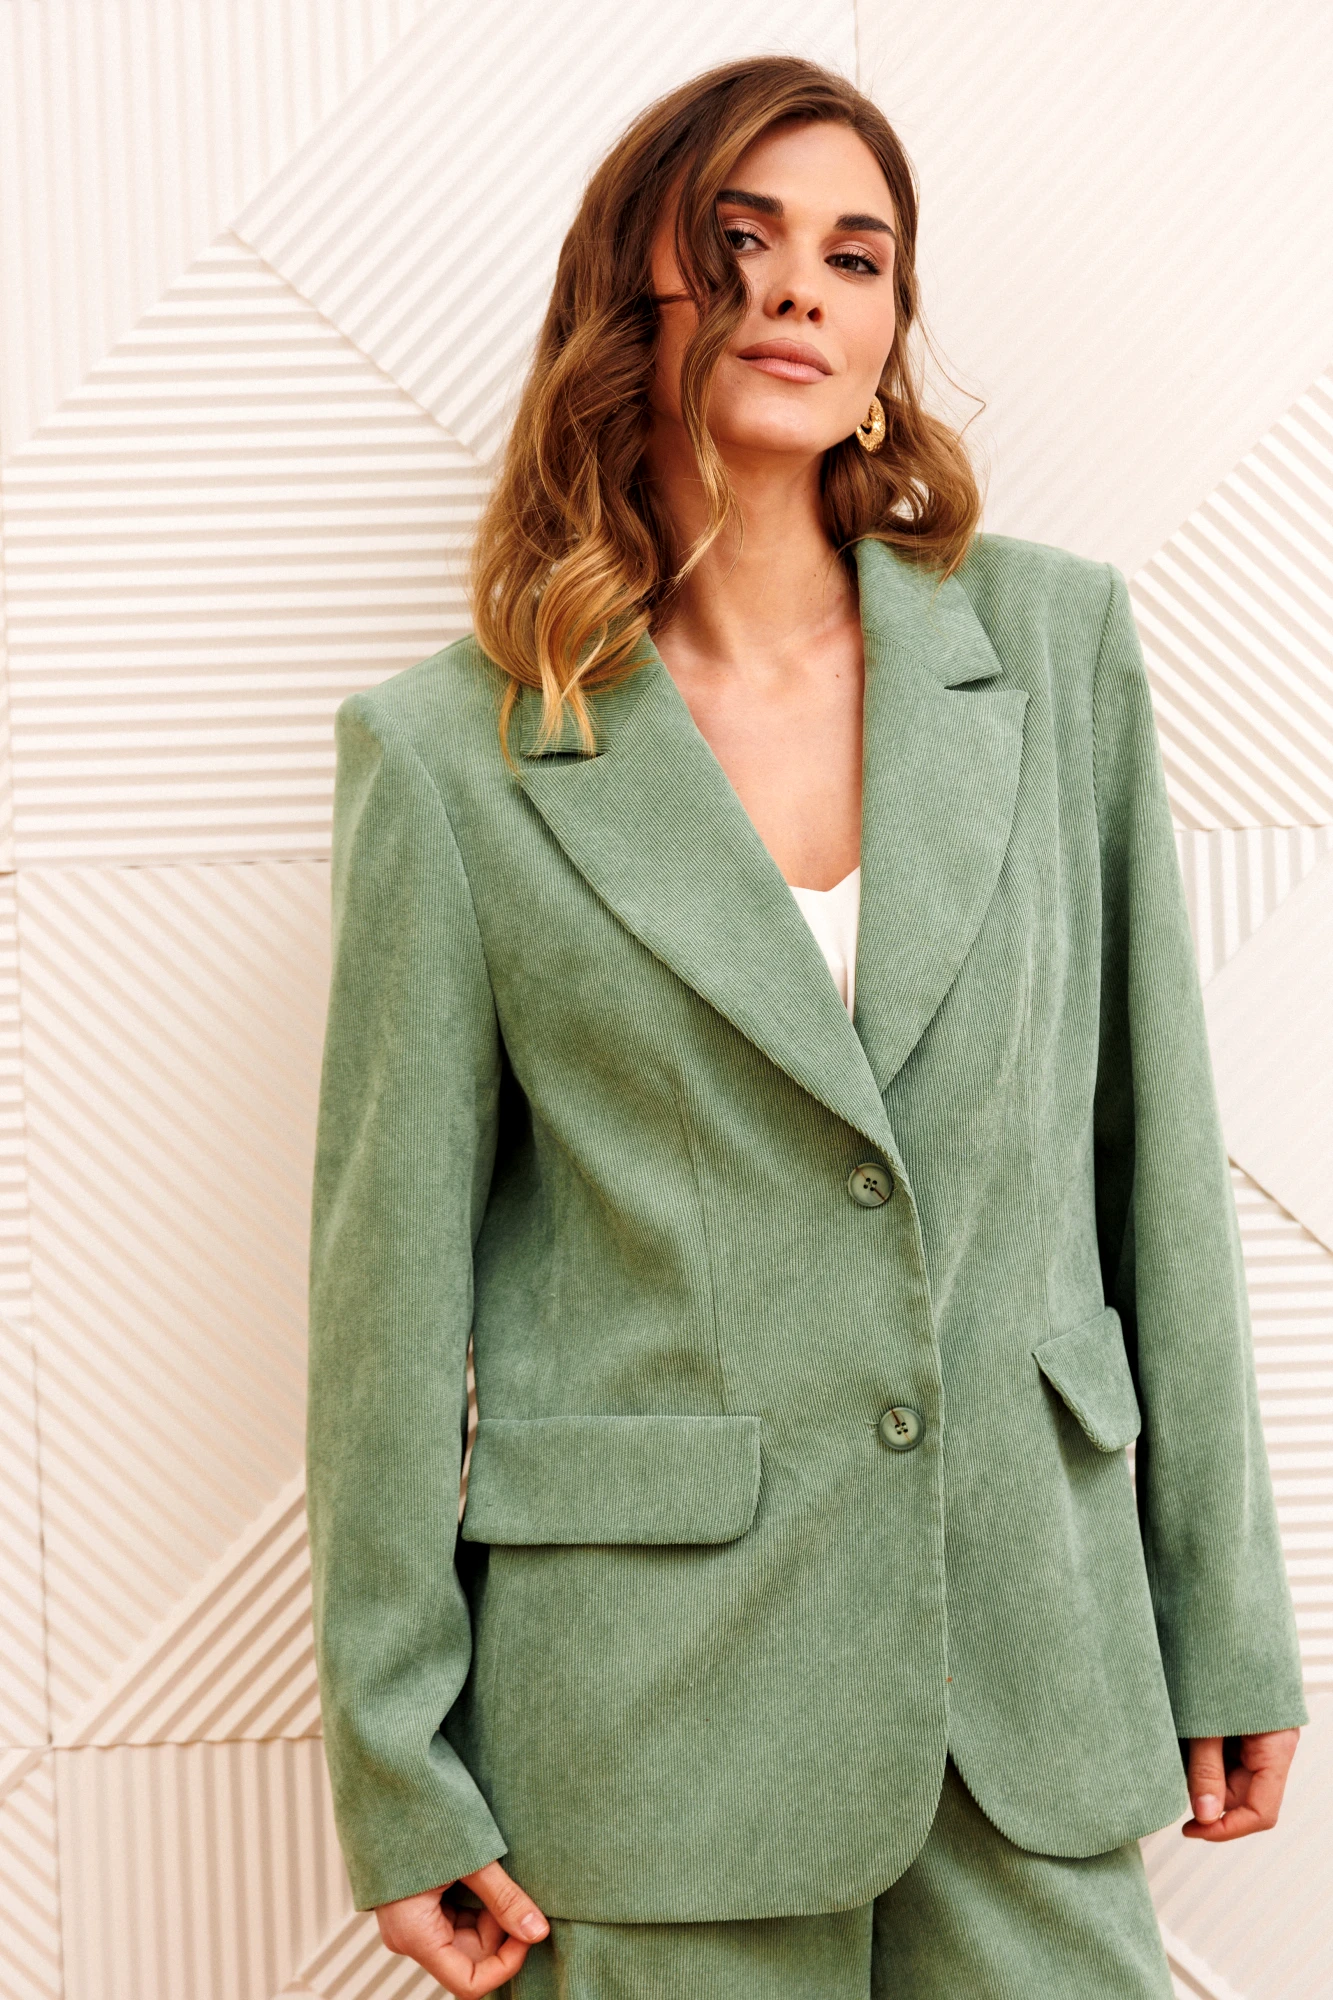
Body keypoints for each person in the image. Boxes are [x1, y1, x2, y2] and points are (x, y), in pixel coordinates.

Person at [305, 55, 1306, 2000]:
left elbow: (1158, 1169)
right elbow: (386, 1305)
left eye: (857, 255)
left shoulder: (1058, 653)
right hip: (651, 1729)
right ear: (634, 287)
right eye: (741, 240)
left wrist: (1226, 1612)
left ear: (891, 325)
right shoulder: (449, 758)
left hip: (1029, 1675)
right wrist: (394, 1763)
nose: (800, 289)